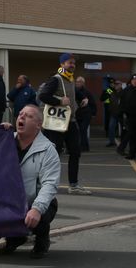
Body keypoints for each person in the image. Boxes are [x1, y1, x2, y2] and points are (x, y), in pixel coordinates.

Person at [0, 105, 59, 259]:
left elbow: (50, 184)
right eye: (20, 114)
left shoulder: (48, 150)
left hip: (34, 201)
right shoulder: (5, 141)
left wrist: (37, 209)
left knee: (39, 214)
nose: (21, 117)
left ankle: (42, 239)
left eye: (28, 116)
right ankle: (16, 237)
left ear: (38, 125)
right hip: (10, 200)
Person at [38, 53, 91, 195]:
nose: (72, 65)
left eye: (74, 62)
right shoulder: (56, 79)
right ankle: (44, 183)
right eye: (69, 62)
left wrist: (83, 97)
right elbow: (43, 96)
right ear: (62, 64)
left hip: (70, 122)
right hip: (56, 123)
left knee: (75, 152)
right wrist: (59, 101)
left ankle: (73, 185)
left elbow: (72, 93)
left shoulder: (70, 79)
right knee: (53, 154)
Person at [117, 74, 136, 160]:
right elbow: (122, 102)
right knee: (132, 137)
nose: (135, 82)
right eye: (133, 80)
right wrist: (121, 113)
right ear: (131, 81)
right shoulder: (127, 90)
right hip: (130, 118)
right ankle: (132, 154)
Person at [74, 76, 96, 152]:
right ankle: (84, 146)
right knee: (80, 130)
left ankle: (84, 147)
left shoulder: (87, 92)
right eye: (76, 82)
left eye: (79, 82)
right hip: (78, 114)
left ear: (83, 83)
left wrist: (93, 113)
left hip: (86, 114)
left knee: (83, 130)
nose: (77, 83)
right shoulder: (74, 91)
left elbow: (93, 103)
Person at [106, 80, 123, 147]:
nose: (116, 85)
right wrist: (110, 110)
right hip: (113, 113)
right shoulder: (112, 93)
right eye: (115, 84)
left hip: (121, 114)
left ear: (121, 85)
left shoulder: (124, 93)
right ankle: (112, 141)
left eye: (118, 84)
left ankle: (123, 142)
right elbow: (110, 102)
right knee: (111, 127)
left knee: (123, 129)